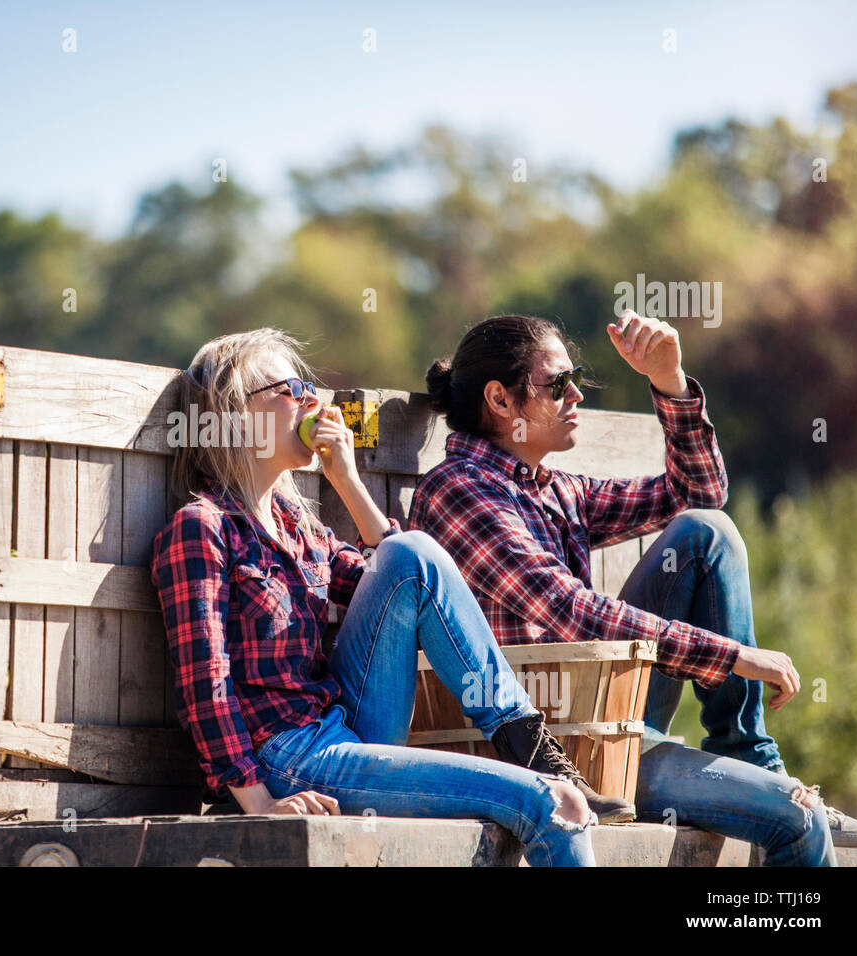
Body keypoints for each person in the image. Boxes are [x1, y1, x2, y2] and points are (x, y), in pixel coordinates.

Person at [410, 309, 857, 863]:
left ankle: (751, 754)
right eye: (557, 384)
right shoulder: (458, 492)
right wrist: (732, 656)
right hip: (554, 751)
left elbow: (699, 493)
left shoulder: (555, 490)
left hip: (609, 721)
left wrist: (669, 382)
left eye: (575, 378)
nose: (576, 394)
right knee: (798, 817)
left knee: (705, 531)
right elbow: (570, 612)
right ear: (501, 402)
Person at [149, 328, 615, 867]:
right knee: (554, 805)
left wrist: (346, 481)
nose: (311, 400)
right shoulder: (201, 528)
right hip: (288, 757)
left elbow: (405, 572)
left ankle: (528, 744)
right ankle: (544, 771)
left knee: (412, 550)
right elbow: (204, 684)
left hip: (347, 730)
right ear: (237, 415)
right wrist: (259, 801)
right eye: (290, 388)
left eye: (309, 387)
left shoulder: (297, 526)